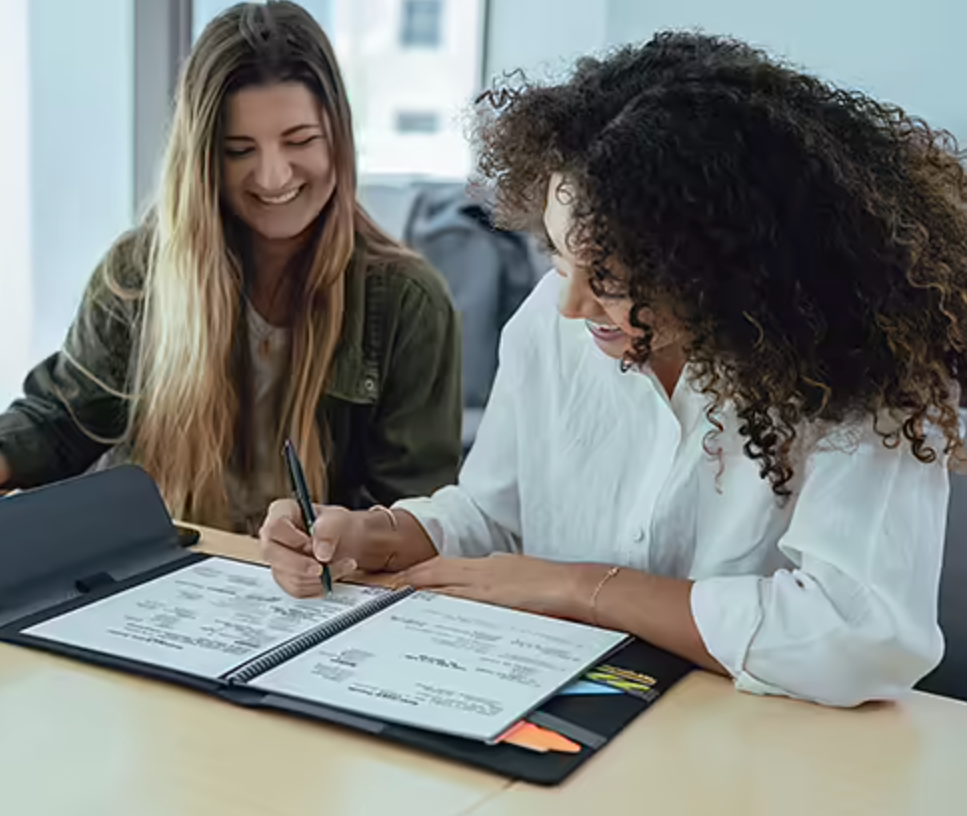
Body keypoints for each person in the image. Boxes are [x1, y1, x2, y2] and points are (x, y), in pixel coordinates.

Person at [260, 31, 967, 708]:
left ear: (725, 269)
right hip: (563, 716)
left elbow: (861, 633)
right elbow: (497, 519)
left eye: (614, 279)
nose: (570, 305)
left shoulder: (854, 366)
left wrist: (581, 589)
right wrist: (379, 535)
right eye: (560, 257)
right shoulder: (550, 323)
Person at [0, 1, 462, 535]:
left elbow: (413, 521)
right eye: (239, 150)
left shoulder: (407, 304)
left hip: (322, 605)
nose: (274, 177)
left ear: (338, 137)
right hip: (161, 580)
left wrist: (332, 543)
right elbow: (60, 422)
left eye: (299, 141)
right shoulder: (139, 272)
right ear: (202, 159)